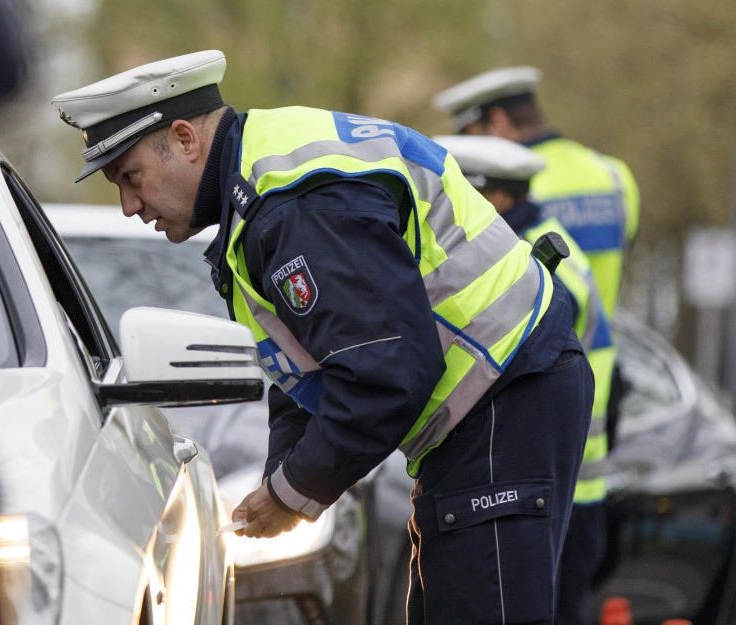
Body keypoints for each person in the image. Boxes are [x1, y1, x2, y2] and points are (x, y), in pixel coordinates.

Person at [51, 50, 593, 625]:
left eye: (130, 178)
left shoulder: (293, 206)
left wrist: (292, 491)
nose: (129, 206)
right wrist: (283, 474)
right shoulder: (261, 185)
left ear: (185, 139)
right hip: (494, 400)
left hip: (504, 392)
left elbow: (384, 375)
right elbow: (311, 358)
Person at [434, 134, 615, 624]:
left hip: (555, 484)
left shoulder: (534, 266)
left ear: (492, 197)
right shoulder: (543, 246)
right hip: (558, 478)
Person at [432, 66, 639, 451]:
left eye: (468, 135)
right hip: (599, 391)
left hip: (532, 401)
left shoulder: (510, 189)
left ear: (496, 121)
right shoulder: (614, 177)